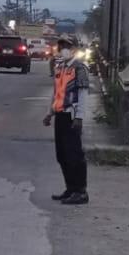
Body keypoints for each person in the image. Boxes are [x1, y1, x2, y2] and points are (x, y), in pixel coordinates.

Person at [43, 36, 89, 205]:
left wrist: (79, 117)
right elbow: (56, 93)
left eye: (67, 46)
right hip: (60, 115)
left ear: (74, 48)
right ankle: (70, 188)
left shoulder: (80, 68)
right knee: (62, 155)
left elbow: (83, 94)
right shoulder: (60, 67)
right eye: (61, 46)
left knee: (74, 155)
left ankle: (80, 191)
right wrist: (49, 113)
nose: (63, 49)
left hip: (72, 116)